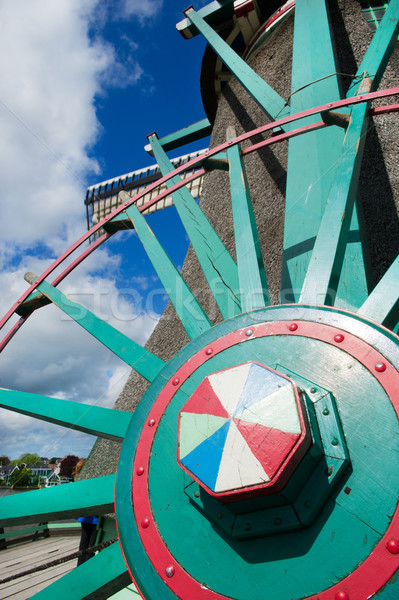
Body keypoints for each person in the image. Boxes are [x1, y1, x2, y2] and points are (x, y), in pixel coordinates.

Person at [73, 459, 99, 566]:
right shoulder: (94, 478)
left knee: (84, 541)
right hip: (94, 517)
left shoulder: (80, 478)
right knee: (92, 544)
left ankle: (80, 565)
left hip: (85, 516)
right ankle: (87, 566)